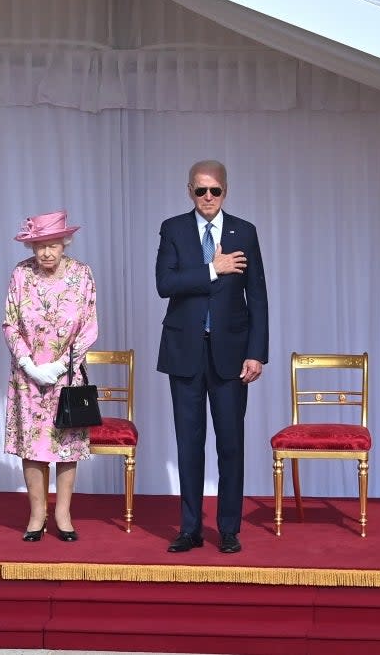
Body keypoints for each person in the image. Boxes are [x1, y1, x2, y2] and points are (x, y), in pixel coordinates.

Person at [155, 160, 268, 554]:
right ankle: (189, 529)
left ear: (225, 191)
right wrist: (212, 269)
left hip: (231, 356)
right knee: (189, 443)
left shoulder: (245, 232)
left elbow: (257, 296)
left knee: (231, 443)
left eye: (214, 190)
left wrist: (257, 353)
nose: (207, 197)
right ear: (189, 190)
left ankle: (229, 528)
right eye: (200, 190)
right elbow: (164, 284)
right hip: (184, 351)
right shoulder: (173, 229)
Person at [3, 210, 98, 542]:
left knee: (66, 445)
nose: (45, 252)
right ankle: (36, 514)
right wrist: (30, 365)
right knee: (33, 445)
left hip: (67, 375)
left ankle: (63, 513)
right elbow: (10, 323)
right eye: (39, 245)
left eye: (52, 244)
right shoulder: (20, 274)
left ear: (64, 242)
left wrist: (60, 366)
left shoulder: (82, 274)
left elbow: (89, 327)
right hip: (28, 376)